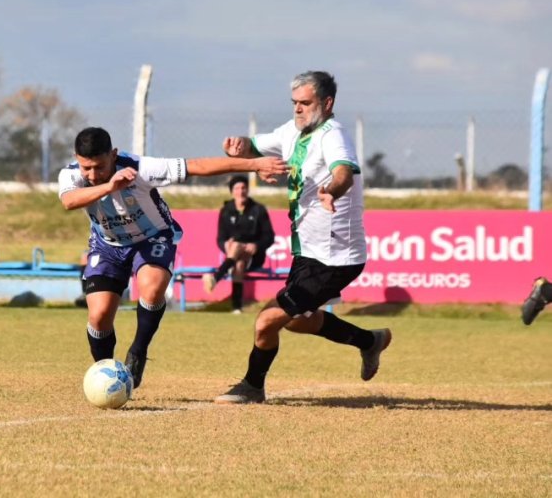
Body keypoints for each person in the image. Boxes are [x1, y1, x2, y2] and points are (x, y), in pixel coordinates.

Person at [58, 126, 288, 389]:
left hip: (152, 237)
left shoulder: (141, 168)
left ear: (113, 154)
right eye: (86, 167)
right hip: (107, 245)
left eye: (99, 166)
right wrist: (110, 185)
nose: (92, 174)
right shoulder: (71, 174)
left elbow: (196, 166)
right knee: (98, 316)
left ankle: (139, 350)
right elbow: (68, 201)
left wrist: (254, 163)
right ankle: (107, 376)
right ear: (77, 159)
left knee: (152, 288)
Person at [214, 71, 391, 405]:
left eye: (305, 103)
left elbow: (344, 173)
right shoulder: (292, 130)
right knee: (297, 322)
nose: (298, 109)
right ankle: (370, 341)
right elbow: (254, 146)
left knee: (267, 321)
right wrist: (239, 145)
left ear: (327, 103)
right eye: (294, 103)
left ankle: (252, 386)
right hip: (309, 252)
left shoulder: (332, 135)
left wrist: (331, 191)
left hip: (336, 256)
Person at [202, 175, 275, 313]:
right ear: (232, 191)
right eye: (237, 188)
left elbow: (269, 236)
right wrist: (225, 245)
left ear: (247, 190)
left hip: (255, 256)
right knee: (238, 261)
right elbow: (220, 238)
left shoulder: (258, 209)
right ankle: (237, 308)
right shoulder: (226, 211)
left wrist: (257, 246)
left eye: (243, 188)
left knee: (237, 250)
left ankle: (216, 277)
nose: (240, 191)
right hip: (234, 256)